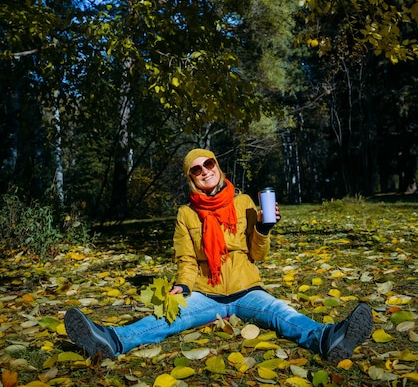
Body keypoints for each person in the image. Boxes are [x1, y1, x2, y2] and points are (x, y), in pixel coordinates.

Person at [64, 148, 373, 363]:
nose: (204, 171)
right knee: (165, 319)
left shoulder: (244, 203)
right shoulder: (186, 214)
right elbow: (186, 260)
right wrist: (183, 287)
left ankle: (328, 338)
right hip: (206, 295)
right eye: (196, 169)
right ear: (191, 177)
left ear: (217, 166)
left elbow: (258, 255)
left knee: (282, 315)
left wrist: (264, 228)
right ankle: (110, 340)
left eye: (208, 164)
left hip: (247, 290)